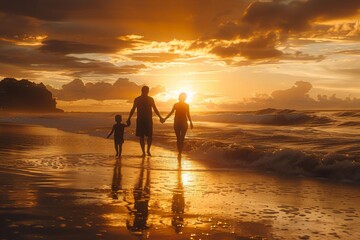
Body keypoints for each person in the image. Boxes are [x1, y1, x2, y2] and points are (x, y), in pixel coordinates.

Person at [127, 86, 163, 157]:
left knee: (146, 136)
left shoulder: (144, 99)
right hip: (145, 120)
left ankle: (146, 151)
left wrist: (160, 117)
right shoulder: (140, 99)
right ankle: (145, 151)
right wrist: (129, 118)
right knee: (144, 136)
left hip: (144, 120)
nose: (147, 92)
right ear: (146, 91)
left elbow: (155, 109)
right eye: (147, 90)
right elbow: (133, 109)